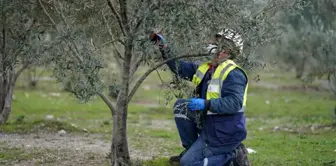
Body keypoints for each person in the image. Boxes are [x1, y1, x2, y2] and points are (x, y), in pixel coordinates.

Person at [150, 29, 250, 166]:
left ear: (228, 52)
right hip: (211, 126)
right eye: (216, 44)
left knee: (188, 163)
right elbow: (180, 68)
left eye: (219, 45)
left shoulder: (234, 74)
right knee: (181, 106)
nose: (214, 48)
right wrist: (164, 47)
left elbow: (234, 103)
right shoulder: (208, 69)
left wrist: (206, 104)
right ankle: (192, 150)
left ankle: (232, 156)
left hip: (226, 133)